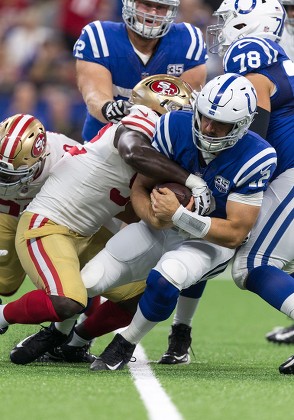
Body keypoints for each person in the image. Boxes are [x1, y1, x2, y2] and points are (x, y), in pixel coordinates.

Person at [74, 73, 277, 371]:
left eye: (220, 123)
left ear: (243, 125)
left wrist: (180, 216)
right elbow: (141, 188)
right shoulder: (174, 126)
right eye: (205, 116)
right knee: (89, 280)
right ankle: (60, 335)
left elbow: (235, 233)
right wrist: (152, 217)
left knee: (167, 276)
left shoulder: (257, 156)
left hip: (209, 240)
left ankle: (125, 343)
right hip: (164, 225)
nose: (208, 127)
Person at [2, 74, 209, 365]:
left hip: (91, 230)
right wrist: (191, 181)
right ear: (164, 110)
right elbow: (132, 150)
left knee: (144, 295)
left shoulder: (162, 144)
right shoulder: (143, 120)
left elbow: (130, 203)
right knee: (67, 301)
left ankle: (74, 341)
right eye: (185, 110)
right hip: (48, 224)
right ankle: (4, 316)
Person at [203, 0, 294, 374]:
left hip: (289, 172)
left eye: (227, 20)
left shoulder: (250, 51)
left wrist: (235, 176)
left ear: (246, 24)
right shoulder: (279, 51)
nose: (221, 29)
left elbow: (254, 124)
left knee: (253, 264)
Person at [73, 0, 208, 142]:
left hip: (162, 145)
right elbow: (94, 94)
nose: (153, 13)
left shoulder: (188, 40)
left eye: (161, 7)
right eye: (146, 4)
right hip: (103, 142)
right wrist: (109, 109)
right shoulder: (99, 36)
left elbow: (186, 109)